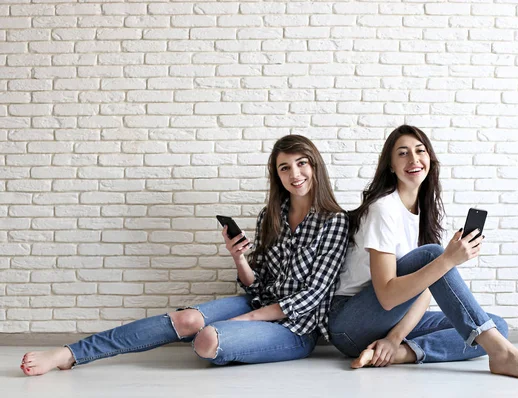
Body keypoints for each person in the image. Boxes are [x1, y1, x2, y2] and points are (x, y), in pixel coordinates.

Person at [21, 135, 349, 376]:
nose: (295, 174)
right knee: (187, 319)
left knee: (206, 341)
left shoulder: (334, 221)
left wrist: (240, 321)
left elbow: (313, 296)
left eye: (302, 163)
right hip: (259, 303)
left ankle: (225, 337)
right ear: (277, 176)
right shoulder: (270, 216)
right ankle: (70, 353)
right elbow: (257, 285)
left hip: (296, 329)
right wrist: (239, 259)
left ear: (314, 165)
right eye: (284, 168)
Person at [328, 125, 518, 381]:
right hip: (351, 324)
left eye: (420, 151)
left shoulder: (422, 213)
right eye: (403, 153)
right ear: (391, 166)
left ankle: (402, 353)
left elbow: (424, 291)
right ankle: (504, 355)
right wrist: (447, 260)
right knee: (433, 256)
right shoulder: (383, 209)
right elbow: (387, 296)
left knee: (495, 327)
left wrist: (394, 340)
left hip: (389, 323)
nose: (414, 159)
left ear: (430, 159)